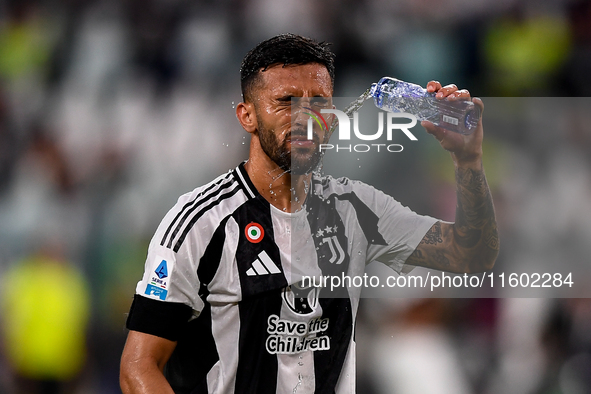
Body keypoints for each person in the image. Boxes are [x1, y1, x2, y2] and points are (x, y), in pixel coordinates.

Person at [120, 33, 499, 394]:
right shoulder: (201, 222)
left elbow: (473, 253)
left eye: (319, 101)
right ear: (247, 116)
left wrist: (468, 160)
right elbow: (138, 368)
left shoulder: (356, 209)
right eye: (286, 101)